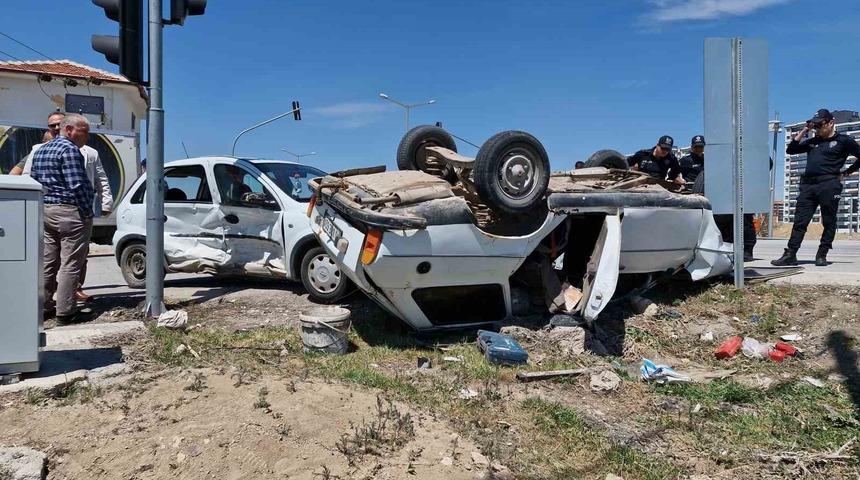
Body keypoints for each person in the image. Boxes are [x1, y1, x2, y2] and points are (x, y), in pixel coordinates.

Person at [772, 109, 860, 266]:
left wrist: (847, 173)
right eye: (816, 125)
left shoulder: (844, 141)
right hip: (808, 185)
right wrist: (806, 129)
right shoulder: (814, 141)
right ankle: (790, 254)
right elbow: (791, 149)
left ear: (831, 122)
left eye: (820, 124)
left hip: (829, 184)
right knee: (800, 221)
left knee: (828, 221)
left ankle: (822, 254)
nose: (818, 128)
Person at [30, 114, 95, 324]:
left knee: (48, 261)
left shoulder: (41, 150)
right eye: (83, 131)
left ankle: (43, 306)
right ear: (69, 130)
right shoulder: (70, 150)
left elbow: (35, 180)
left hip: (47, 210)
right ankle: (66, 311)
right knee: (71, 263)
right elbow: (78, 185)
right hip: (69, 212)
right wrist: (87, 212)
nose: (87, 136)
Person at [684, 134, 758, 261]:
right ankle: (724, 249)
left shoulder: (746, 156)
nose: (699, 149)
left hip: (735, 190)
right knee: (720, 221)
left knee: (745, 220)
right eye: (696, 147)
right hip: (709, 193)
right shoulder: (688, 161)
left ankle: (747, 250)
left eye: (701, 147)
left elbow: (767, 163)